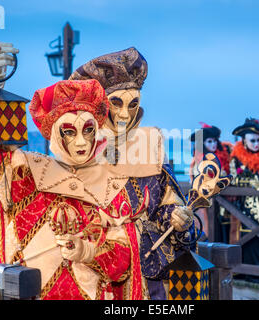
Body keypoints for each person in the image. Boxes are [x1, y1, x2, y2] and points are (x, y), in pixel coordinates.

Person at [69, 47, 197, 299]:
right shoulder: (78, 148)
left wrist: (177, 216)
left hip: (147, 266)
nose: (125, 114)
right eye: (116, 103)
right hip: (95, 267)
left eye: (133, 104)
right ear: (100, 105)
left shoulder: (150, 146)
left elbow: (166, 204)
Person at [229, 118, 259, 282]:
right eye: (252, 141)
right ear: (243, 140)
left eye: (258, 140)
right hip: (246, 210)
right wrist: (251, 183)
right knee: (249, 238)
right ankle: (248, 273)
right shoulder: (236, 158)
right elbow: (233, 179)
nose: (256, 144)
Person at [189, 123, 233, 242]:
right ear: (202, 143)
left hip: (224, 204)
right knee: (209, 232)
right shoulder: (198, 161)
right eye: (209, 141)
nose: (213, 144)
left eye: (214, 141)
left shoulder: (224, 155)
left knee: (223, 232)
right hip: (207, 204)